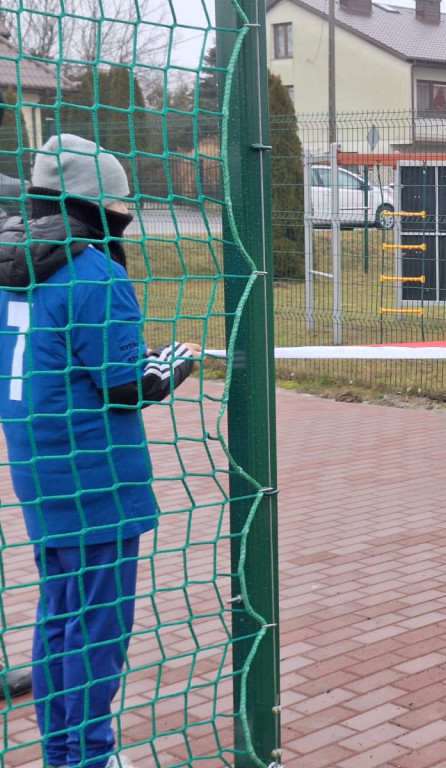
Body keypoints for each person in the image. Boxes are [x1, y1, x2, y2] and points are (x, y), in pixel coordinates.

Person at [0, 134, 202, 768]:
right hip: (98, 483)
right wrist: (175, 365)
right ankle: (84, 756)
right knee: (98, 633)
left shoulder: (12, 268)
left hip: (41, 475)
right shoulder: (94, 273)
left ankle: (64, 749)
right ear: (103, 209)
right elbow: (121, 386)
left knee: (60, 616)